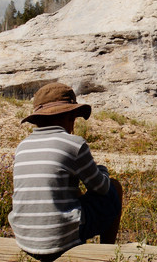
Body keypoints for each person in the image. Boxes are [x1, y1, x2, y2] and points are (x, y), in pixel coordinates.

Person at [9, 82, 123, 262]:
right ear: (69, 117)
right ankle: (107, 253)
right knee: (114, 187)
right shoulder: (74, 143)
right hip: (56, 239)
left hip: (24, 237)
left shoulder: (22, 146)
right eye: (74, 118)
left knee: (71, 192)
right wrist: (103, 170)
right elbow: (100, 188)